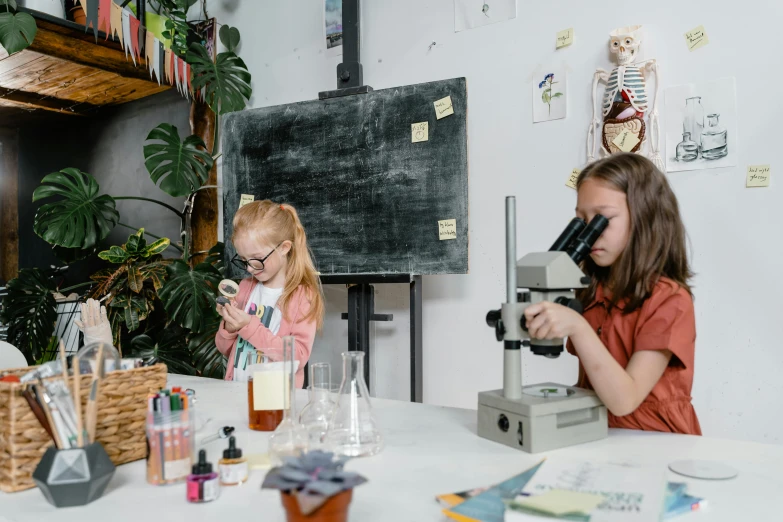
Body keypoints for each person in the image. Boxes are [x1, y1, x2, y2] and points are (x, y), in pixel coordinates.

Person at [524, 153, 701, 434]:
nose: (589, 234)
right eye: (581, 222)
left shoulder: (669, 301)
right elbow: (593, 385)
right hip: (600, 433)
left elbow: (623, 400)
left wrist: (577, 326)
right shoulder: (591, 291)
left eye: (602, 220)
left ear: (644, 217)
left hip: (655, 441)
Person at [215, 201, 324, 388]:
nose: (249, 267)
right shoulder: (245, 287)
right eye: (243, 260)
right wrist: (230, 327)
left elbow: (296, 357)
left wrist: (249, 326)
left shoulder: (301, 296)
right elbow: (225, 349)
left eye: (257, 259)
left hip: (276, 398)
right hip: (238, 390)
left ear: (284, 248)